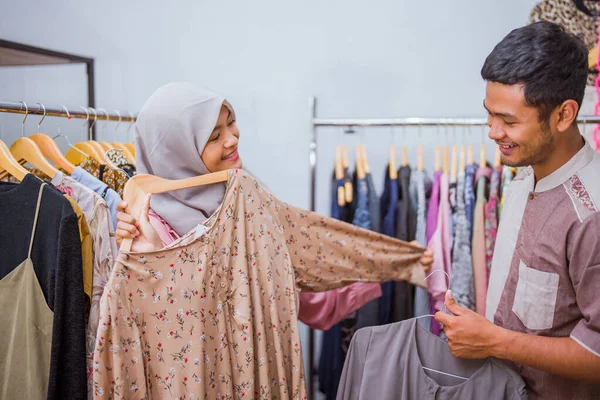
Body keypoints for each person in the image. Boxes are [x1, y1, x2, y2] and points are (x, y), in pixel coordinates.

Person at [115, 82, 434, 331]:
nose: (232, 138)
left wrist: (393, 261)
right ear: (178, 153)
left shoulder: (244, 195)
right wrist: (143, 248)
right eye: (214, 136)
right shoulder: (149, 230)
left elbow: (302, 276)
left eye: (232, 122)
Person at [435, 21, 600, 399]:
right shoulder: (525, 174)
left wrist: (495, 341)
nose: (493, 131)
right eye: (490, 114)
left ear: (563, 115)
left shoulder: (591, 216)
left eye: (508, 120)